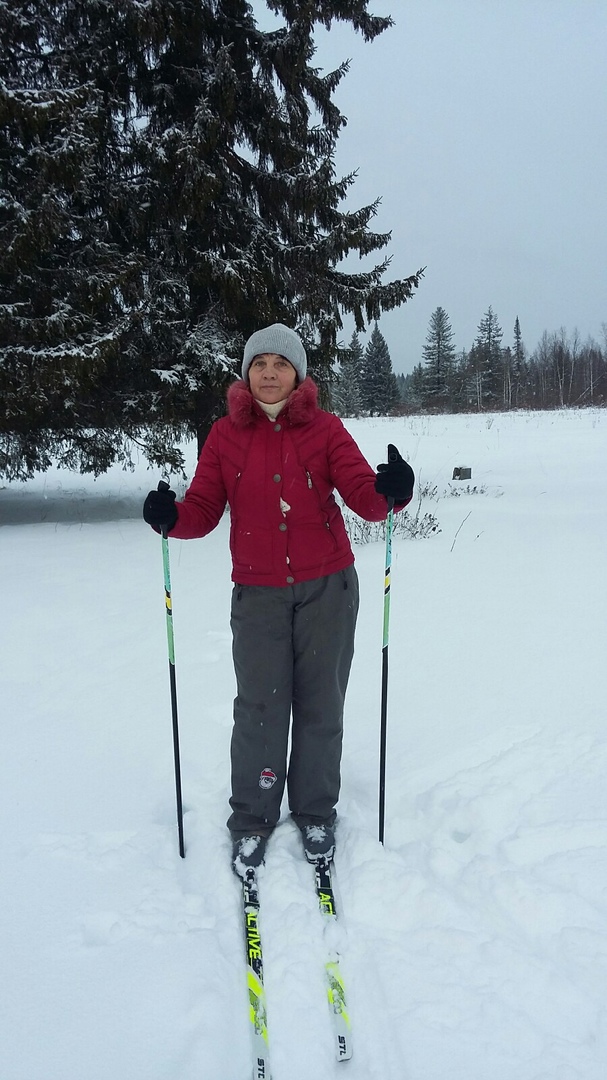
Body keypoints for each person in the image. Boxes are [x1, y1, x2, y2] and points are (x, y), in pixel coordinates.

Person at [143, 323, 414, 876]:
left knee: (320, 705)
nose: (269, 373)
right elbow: (203, 508)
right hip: (258, 593)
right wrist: (172, 517)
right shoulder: (225, 435)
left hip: (328, 588)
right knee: (260, 709)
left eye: (281, 364)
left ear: (298, 374)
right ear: (247, 373)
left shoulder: (326, 429)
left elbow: (366, 499)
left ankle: (315, 811)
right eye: (260, 363)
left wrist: (393, 490)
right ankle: (253, 816)